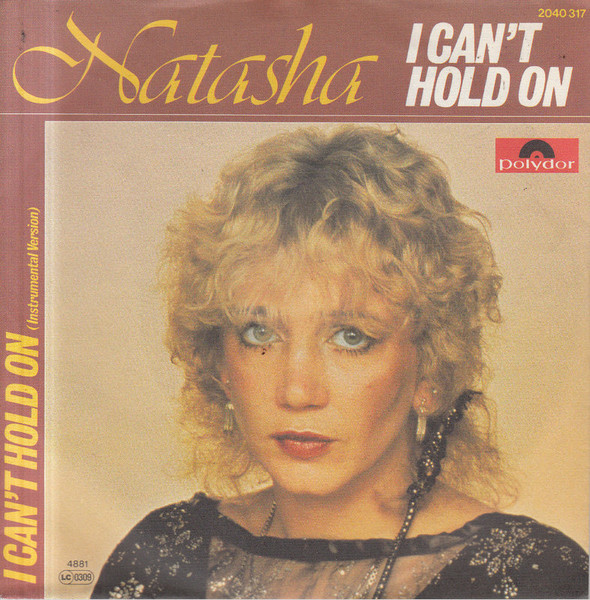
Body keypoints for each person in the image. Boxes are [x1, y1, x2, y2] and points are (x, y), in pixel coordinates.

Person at [92, 126, 588, 599]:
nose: (297, 392)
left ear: (431, 370)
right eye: (259, 334)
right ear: (220, 363)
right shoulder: (162, 556)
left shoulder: (535, 578)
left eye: (351, 338)